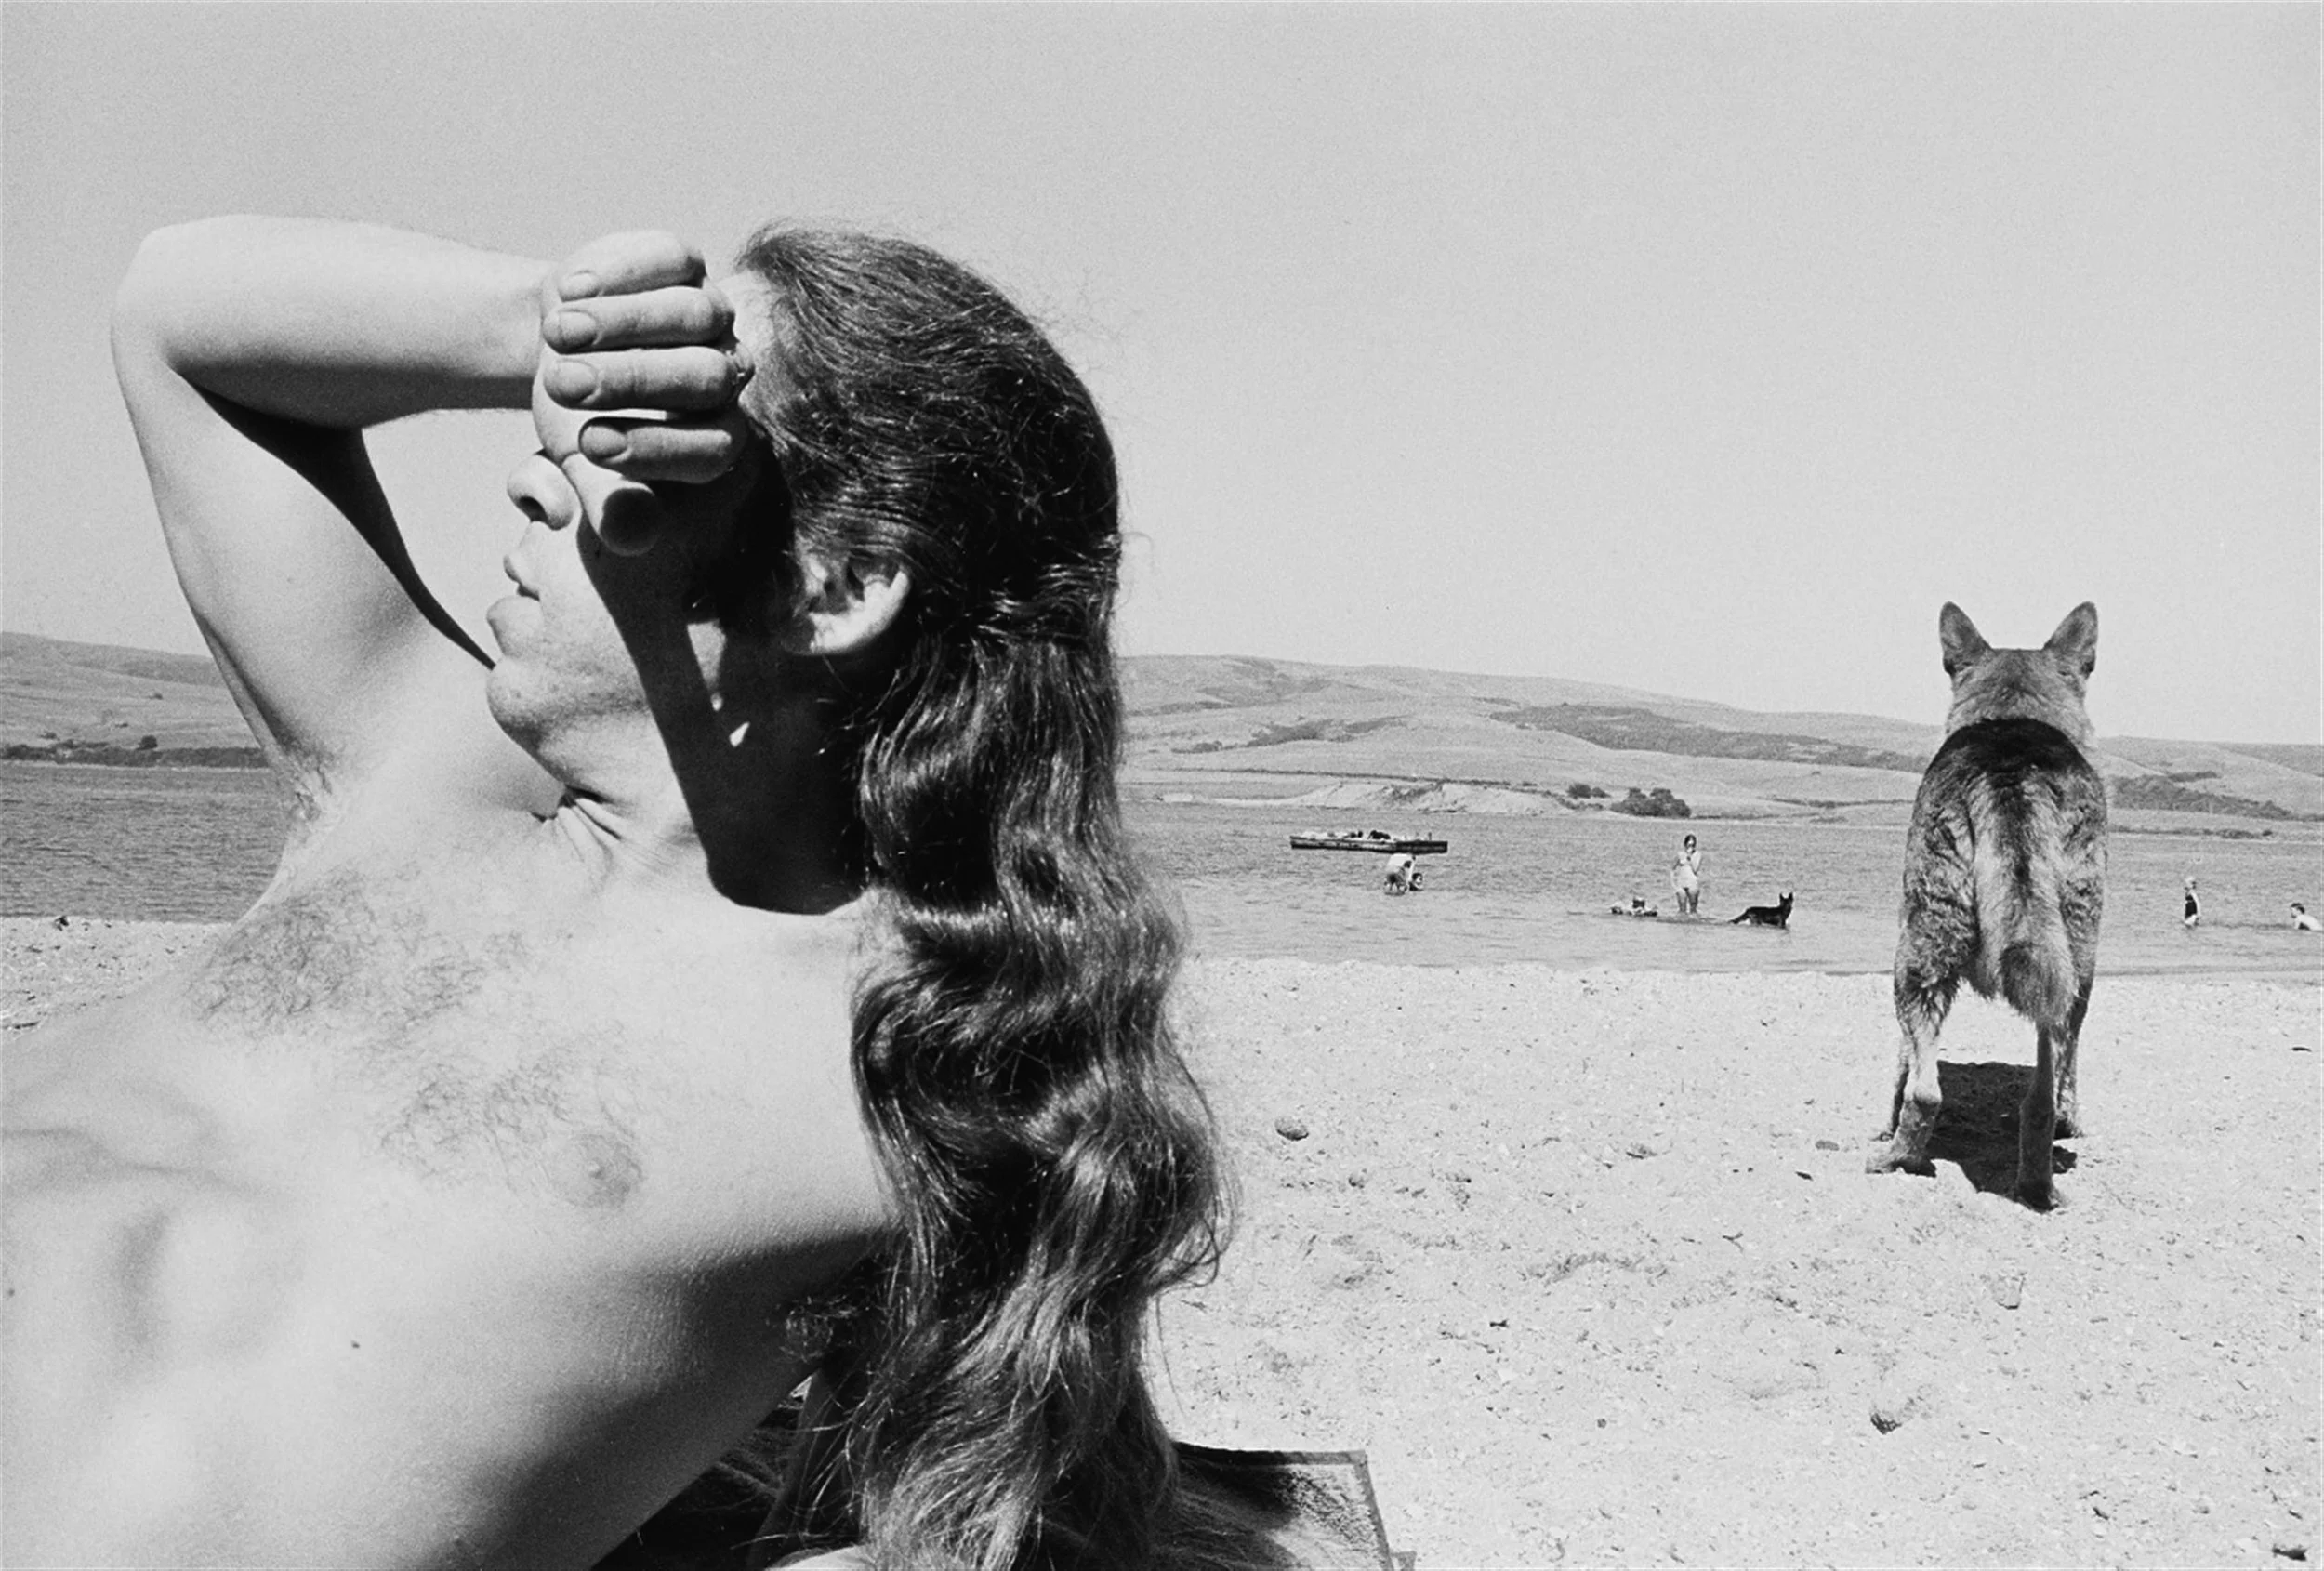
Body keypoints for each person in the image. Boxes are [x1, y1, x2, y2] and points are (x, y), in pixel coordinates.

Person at [4, 217, 1225, 1570]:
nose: (531, 485)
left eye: (622, 435)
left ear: (834, 583)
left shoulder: (919, 1066)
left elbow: (993, 1514)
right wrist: (546, 321)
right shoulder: (417, 754)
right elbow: (170, 313)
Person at [1669, 832, 1702, 916]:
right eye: (1689, 845)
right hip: (1681, 883)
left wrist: (1690, 857)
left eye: (1692, 845)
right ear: (1685, 844)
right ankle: (1682, 924)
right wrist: (1674, 883)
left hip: (1692, 883)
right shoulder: (1680, 854)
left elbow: (1695, 869)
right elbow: (1672, 868)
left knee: (1693, 907)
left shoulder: (1698, 855)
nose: (1690, 847)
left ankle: (1693, 923)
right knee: (1682, 907)